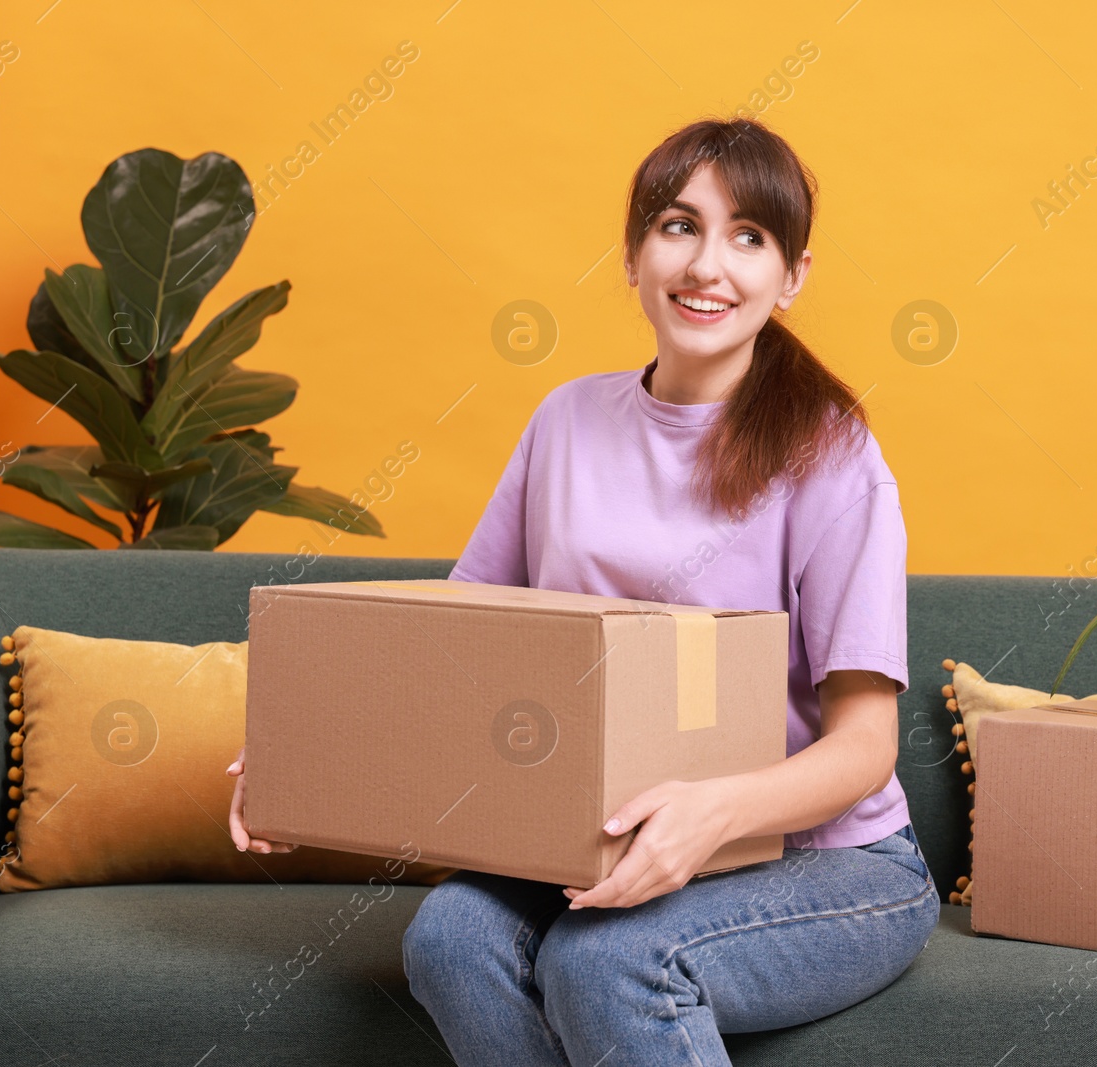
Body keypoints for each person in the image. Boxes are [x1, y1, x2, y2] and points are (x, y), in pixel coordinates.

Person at [229, 115, 937, 1066]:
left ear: (792, 274)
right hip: (583, 840)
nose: (707, 266)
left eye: (749, 237)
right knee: (450, 939)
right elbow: (459, 645)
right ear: (636, 252)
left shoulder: (832, 455)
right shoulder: (566, 421)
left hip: (830, 865)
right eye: (679, 226)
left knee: (611, 961)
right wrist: (302, 751)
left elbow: (863, 749)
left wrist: (711, 813)